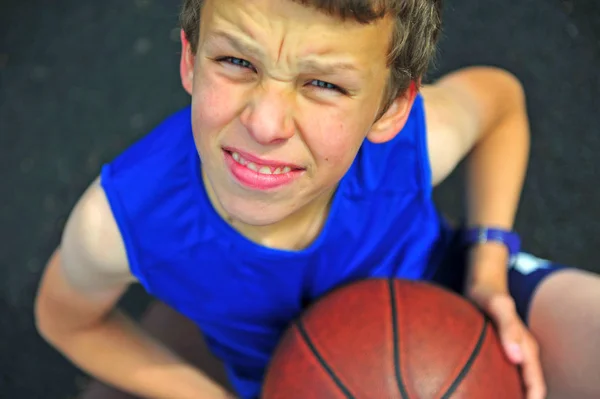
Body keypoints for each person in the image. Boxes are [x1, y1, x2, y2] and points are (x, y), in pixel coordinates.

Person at [34, 0, 600, 398]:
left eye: (324, 84)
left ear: (391, 108)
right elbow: (65, 318)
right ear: (189, 57)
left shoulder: (414, 142)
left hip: (453, 294)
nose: (266, 123)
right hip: (289, 378)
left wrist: (489, 267)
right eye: (236, 62)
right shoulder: (122, 222)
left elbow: (500, 102)